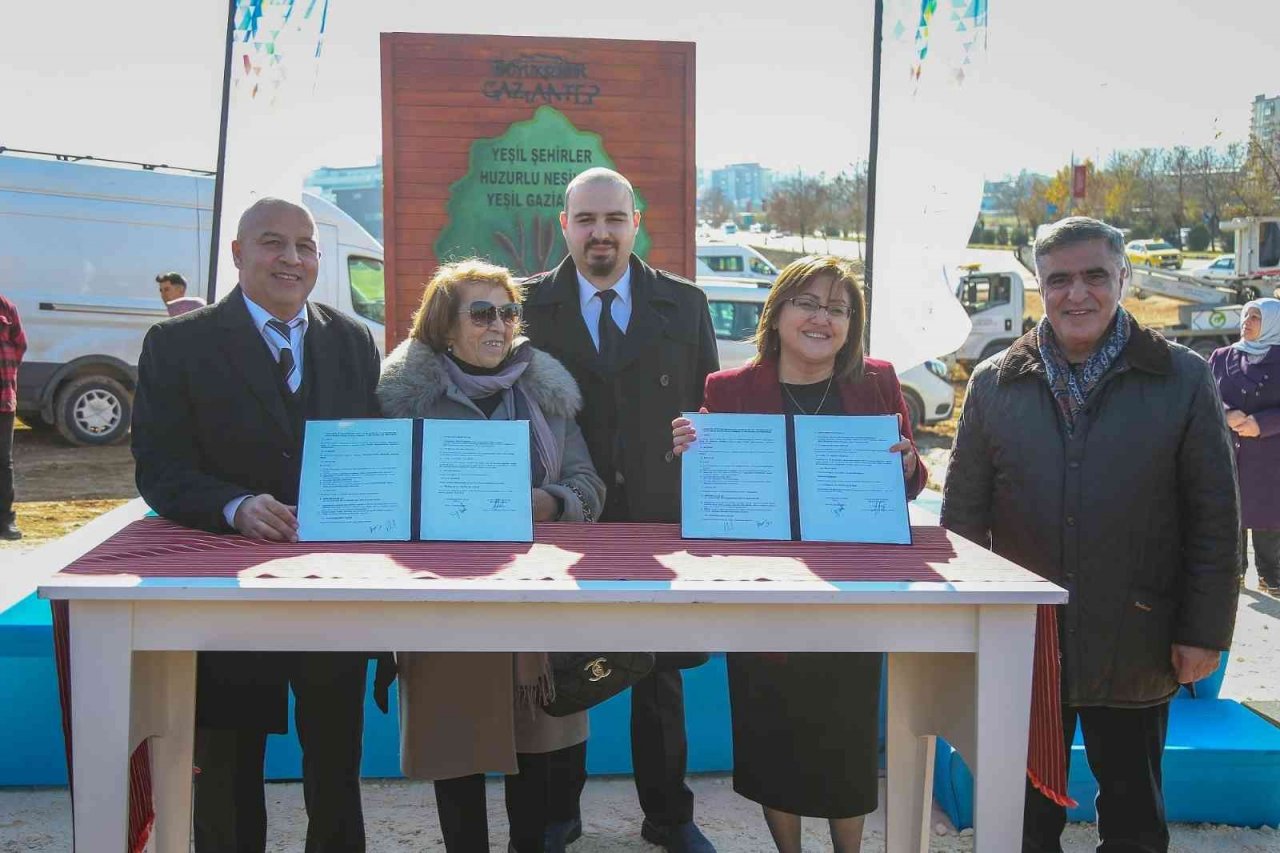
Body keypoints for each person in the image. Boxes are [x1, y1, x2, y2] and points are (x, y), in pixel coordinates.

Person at [941, 216, 1240, 853]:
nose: (1077, 293)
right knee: (1023, 821)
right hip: (1025, 644)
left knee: (1135, 818)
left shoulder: (1182, 379)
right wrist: (963, 631)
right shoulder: (995, 384)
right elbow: (962, 521)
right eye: (1059, 280)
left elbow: (1214, 517)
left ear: (1124, 278)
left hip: (1137, 638)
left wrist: (1204, 631)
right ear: (1039, 286)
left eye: (1094, 276)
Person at [132, 198, 391, 853]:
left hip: (334, 589)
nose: (292, 258)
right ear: (238, 254)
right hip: (228, 592)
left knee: (336, 756)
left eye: (305, 246)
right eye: (273, 242)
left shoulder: (353, 341)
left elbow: (374, 454)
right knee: (226, 764)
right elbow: (159, 468)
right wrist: (234, 505)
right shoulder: (176, 344)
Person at [671, 256, 924, 853]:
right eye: (807, 303)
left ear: (852, 323)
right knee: (771, 731)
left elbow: (910, 483)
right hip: (765, 590)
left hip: (853, 589)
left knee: (847, 734)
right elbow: (716, 491)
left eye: (838, 308)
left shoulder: (877, 380)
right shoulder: (729, 389)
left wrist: (909, 464)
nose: (821, 318)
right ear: (778, 312)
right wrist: (693, 451)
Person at [521, 167, 720, 853]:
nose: (600, 233)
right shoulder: (524, 305)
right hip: (565, 514)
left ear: (636, 222)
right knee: (559, 668)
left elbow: (707, 406)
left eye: (614, 218)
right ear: (565, 225)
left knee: (659, 676)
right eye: (586, 219)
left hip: (658, 514)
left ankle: (669, 815)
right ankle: (557, 814)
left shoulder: (684, 303)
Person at [376, 258, 605, 853]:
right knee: (455, 755)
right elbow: (382, 493)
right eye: (481, 313)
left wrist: (548, 503)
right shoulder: (404, 400)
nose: (498, 325)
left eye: (507, 312)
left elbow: (588, 484)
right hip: (445, 605)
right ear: (444, 325)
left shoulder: (546, 391)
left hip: (533, 605)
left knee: (537, 762)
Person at [1209, 298, 1280, 597]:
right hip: (1228, 449)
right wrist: (1225, 412)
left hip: (1268, 452)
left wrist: (1261, 423)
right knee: (1231, 513)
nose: (1246, 322)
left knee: (1268, 517)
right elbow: (1205, 393)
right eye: (1245, 315)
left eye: (1255, 317)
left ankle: (1270, 576)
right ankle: (1234, 573)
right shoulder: (1221, 356)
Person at [0, 292, 26, 541]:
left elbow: (20, 345)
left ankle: (5, 521)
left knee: (2, 463)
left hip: (3, 401)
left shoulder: (6, 306)